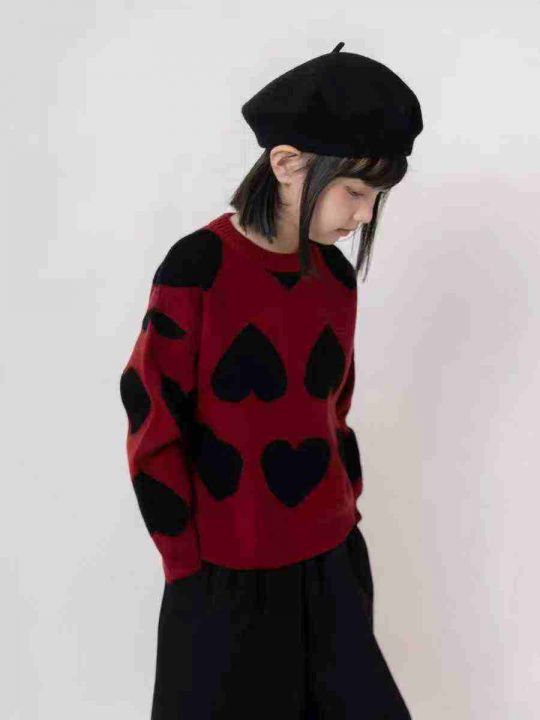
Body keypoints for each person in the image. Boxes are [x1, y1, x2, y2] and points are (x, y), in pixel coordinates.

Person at [119, 41, 423, 719]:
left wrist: (346, 516)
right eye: (355, 191)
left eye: (376, 197)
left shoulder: (335, 277)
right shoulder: (197, 269)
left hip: (332, 564)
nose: (364, 215)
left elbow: (332, 410)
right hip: (224, 578)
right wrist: (186, 563)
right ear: (287, 164)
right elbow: (153, 417)